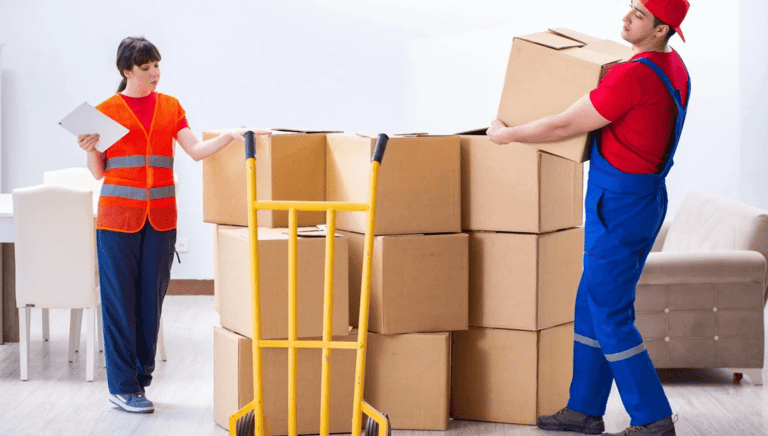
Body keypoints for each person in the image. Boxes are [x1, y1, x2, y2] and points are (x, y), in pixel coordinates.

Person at [486, 1, 690, 435]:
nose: (626, 18)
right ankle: (584, 408)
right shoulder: (673, 67)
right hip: (644, 198)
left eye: (638, 15)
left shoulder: (634, 75)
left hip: (618, 205)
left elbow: (564, 126)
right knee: (590, 303)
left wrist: (507, 135)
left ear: (660, 29)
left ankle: (653, 418)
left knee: (611, 313)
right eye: (630, 8)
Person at [77, 36, 271, 414]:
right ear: (126, 71)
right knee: (119, 303)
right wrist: (89, 151)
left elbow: (195, 151)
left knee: (151, 298)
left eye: (157, 66)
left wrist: (230, 136)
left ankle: (140, 375)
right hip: (117, 221)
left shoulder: (170, 107)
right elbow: (99, 173)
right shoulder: (105, 112)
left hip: (161, 219)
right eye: (146, 68)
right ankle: (122, 386)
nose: (155, 74)